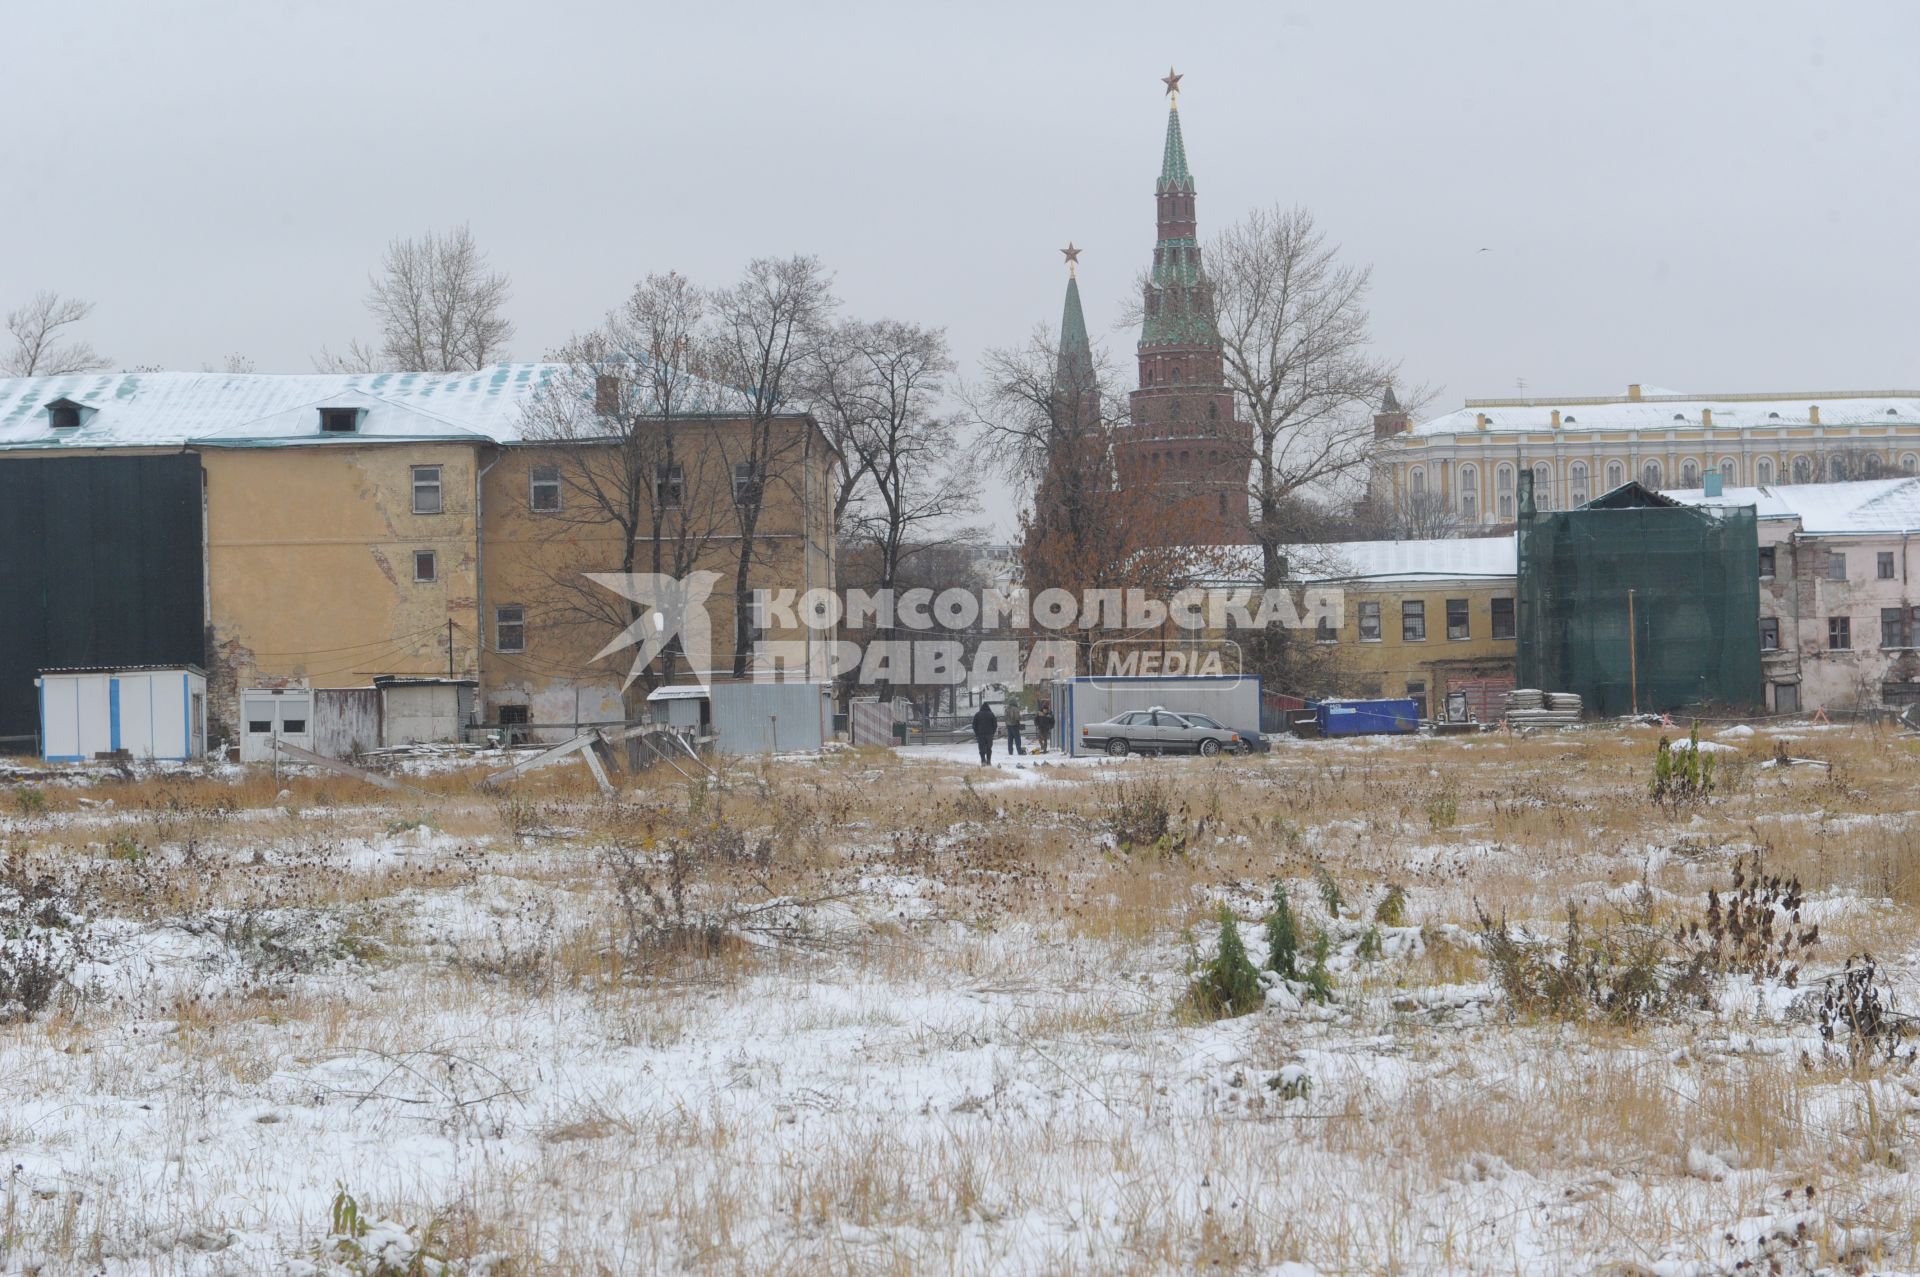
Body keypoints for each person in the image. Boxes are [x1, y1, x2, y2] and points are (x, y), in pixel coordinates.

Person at [971, 701, 998, 766]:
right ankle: (988, 761)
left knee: (981, 747)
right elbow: (995, 725)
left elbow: (974, 725)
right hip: (989, 734)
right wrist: (992, 733)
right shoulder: (991, 714)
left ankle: (983, 760)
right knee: (989, 748)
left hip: (980, 734)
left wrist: (976, 733)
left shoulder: (977, 714)